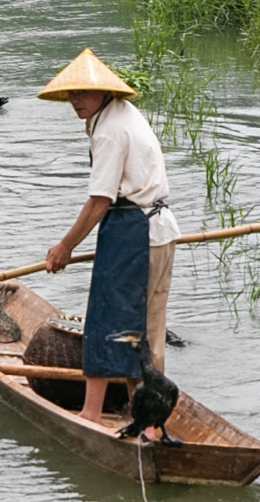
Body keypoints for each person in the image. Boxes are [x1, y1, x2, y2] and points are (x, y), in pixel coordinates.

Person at [36, 49, 181, 426]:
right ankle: (143, 416)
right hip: (143, 228)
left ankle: (96, 414)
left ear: (104, 92)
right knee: (139, 326)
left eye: (83, 93)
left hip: (136, 230)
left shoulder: (111, 131)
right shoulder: (118, 116)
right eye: (71, 94)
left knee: (112, 322)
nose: (75, 100)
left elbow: (100, 199)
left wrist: (65, 246)